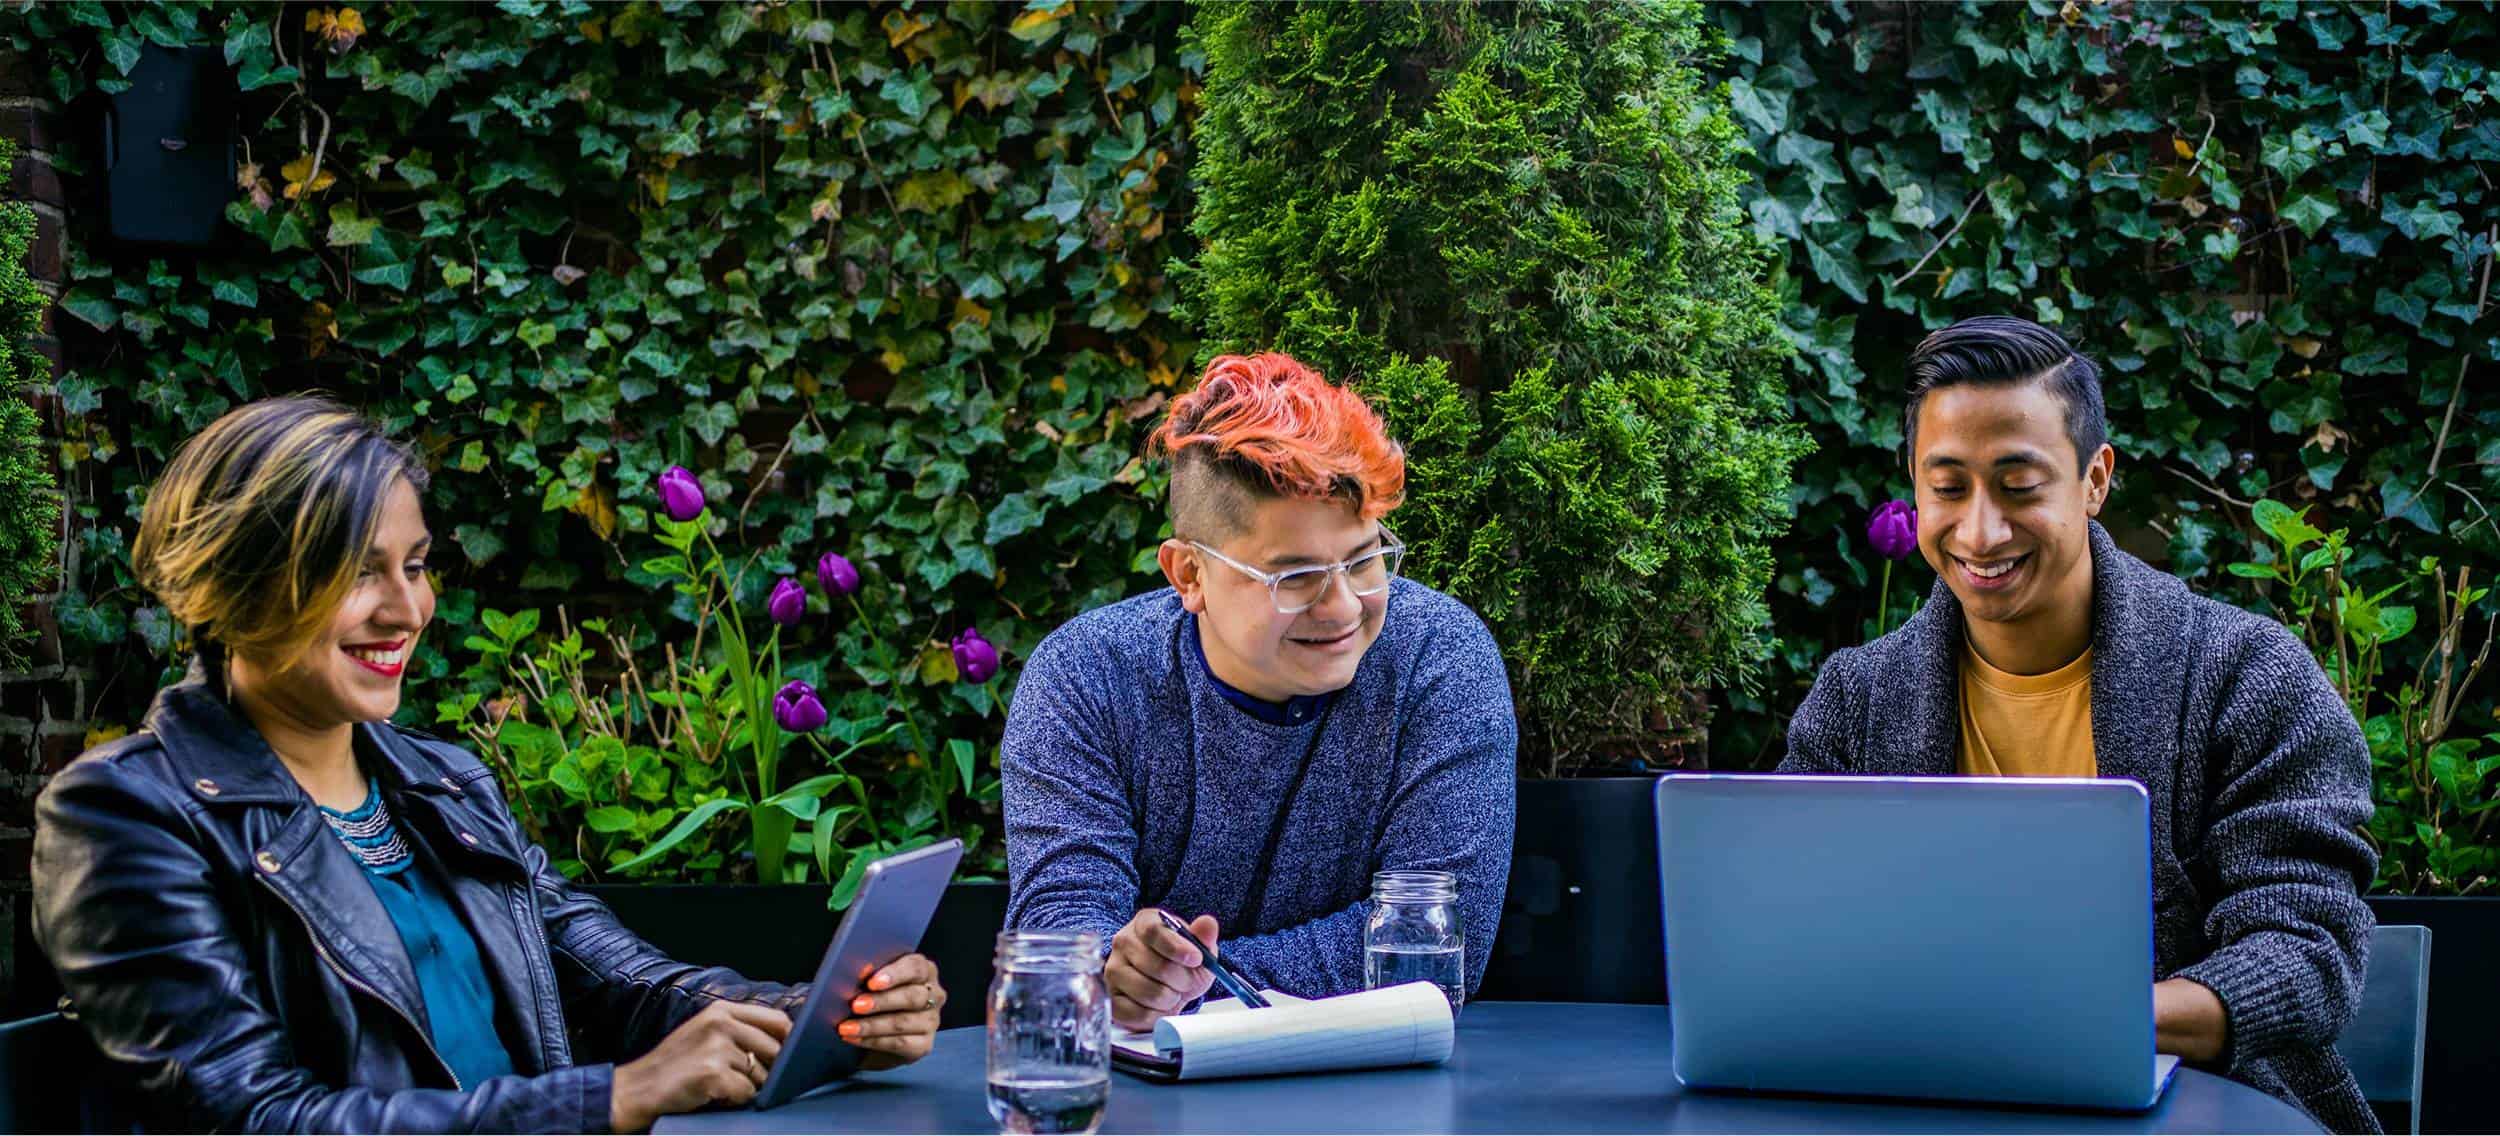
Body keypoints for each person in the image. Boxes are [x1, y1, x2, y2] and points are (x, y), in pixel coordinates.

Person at [33, 396, 945, 1133]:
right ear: (231, 588)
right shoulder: (125, 816)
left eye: (417, 565)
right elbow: (258, 1117)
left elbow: (622, 983)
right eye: (360, 573)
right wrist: (613, 1098)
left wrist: (827, 1017)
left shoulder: (442, 784)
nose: (406, 609)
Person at [1780, 316, 2379, 1133]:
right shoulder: (1857, 699)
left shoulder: (2246, 674)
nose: (1980, 532)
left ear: (2095, 479)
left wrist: (2070, 1025)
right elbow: (1792, 935)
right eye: (1948, 487)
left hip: (2209, 1112)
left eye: (2020, 486)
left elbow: (2307, 951)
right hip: (1923, 1107)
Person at [1002, 353, 1516, 1030]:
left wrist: (1184, 991)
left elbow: (1436, 945)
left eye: (1363, 560)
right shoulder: (1085, 678)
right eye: (1294, 576)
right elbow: (1064, 934)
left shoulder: (1438, 657)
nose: (1342, 607)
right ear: (1189, 574)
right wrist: (1116, 968)